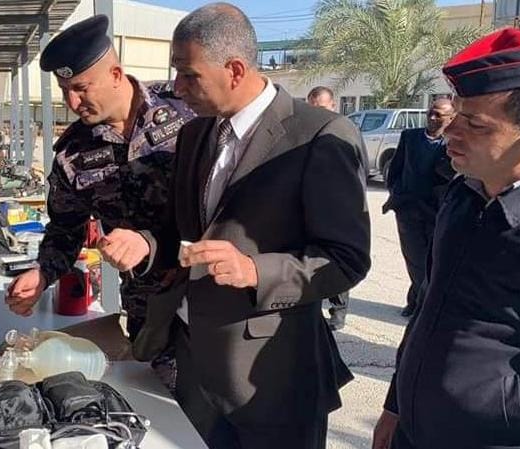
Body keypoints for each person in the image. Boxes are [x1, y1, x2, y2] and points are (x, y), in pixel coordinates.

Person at [133, 4, 371, 448]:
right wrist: (145, 245)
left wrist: (254, 270)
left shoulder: (319, 136)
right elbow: (186, 234)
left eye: (189, 75)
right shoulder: (195, 134)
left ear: (236, 70)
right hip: (196, 369)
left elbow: (346, 259)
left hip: (273, 380)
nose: (177, 88)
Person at [372, 28, 520, 449]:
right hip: (414, 431)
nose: (450, 131)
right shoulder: (463, 193)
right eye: (456, 114)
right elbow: (428, 306)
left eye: (474, 123)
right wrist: (395, 406)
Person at [4, 14, 195, 390]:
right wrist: (42, 273)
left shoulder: (186, 109)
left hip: (211, 298)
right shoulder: (73, 153)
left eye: (80, 88)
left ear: (116, 74)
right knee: (166, 411)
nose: (72, 101)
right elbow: (65, 229)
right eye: (64, 90)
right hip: (150, 316)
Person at [382, 98, 455, 317]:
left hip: (437, 212)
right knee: (414, 259)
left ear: (451, 118)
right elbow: (395, 169)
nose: (432, 117)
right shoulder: (410, 137)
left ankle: (418, 300)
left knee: (433, 260)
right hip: (408, 210)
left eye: (438, 115)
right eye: (430, 112)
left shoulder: (454, 142)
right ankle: (420, 303)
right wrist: (397, 193)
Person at [307, 85, 352, 330]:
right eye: (313, 108)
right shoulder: (305, 131)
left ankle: (338, 310)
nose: (318, 113)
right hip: (312, 208)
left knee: (335, 261)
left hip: (339, 208)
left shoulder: (343, 131)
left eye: (322, 108)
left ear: (333, 106)